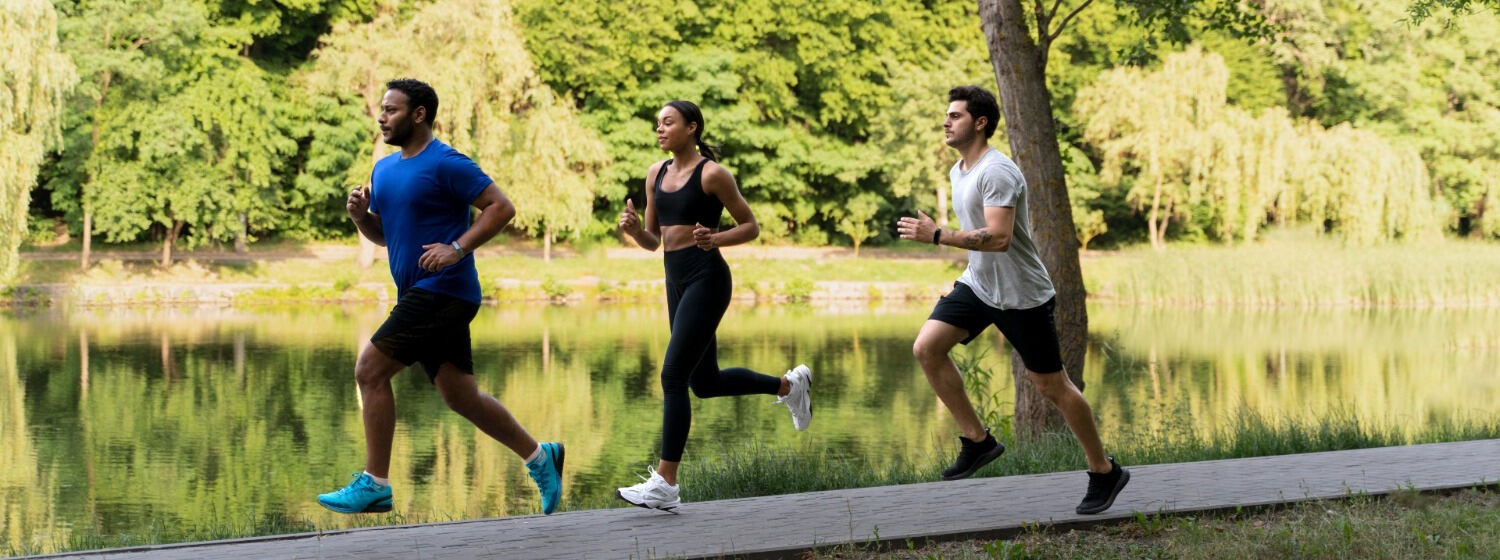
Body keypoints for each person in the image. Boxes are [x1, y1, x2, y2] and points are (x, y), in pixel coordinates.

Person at [317, 78, 564, 515]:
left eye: (391, 110)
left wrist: (458, 248)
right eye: (382, 108)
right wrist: (359, 218)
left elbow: (501, 208)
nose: (381, 116)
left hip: (446, 291)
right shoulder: (384, 170)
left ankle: (375, 483)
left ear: (419, 115)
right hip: (418, 292)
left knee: (369, 370)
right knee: (460, 395)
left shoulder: (447, 162)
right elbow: (385, 236)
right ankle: (540, 456)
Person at [896, 85, 1129, 515]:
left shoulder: (997, 171)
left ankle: (1104, 470)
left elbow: (1000, 238)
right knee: (927, 348)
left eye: (955, 115)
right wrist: (961, 268)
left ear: (980, 122)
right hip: (979, 286)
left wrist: (937, 235)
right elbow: (979, 239)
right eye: (946, 115)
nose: (946, 121)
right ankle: (979, 442)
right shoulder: (959, 170)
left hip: (1022, 296)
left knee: (1051, 386)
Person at [614, 100, 812, 512]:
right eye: (657, 124)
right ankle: (789, 387)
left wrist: (716, 238)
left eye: (668, 122)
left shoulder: (713, 174)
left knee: (672, 375)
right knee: (703, 383)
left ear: (692, 127)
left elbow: (751, 226)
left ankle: (666, 483)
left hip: (708, 277)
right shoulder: (656, 173)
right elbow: (654, 241)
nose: (660, 129)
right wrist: (634, 232)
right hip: (675, 278)